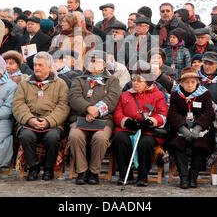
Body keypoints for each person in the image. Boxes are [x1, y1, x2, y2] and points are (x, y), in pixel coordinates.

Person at [12, 52, 70, 181]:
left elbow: (63, 106)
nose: (37, 68)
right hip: (29, 122)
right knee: (26, 136)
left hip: (53, 123)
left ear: (49, 67)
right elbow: (18, 104)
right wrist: (30, 120)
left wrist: (48, 121)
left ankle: (49, 169)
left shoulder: (60, 84)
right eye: (35, 65)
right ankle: (33, 167)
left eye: (40, 65)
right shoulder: (24, 83)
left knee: (53, 137)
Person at [68, 50, 121, 185]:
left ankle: (94, 172)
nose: (92, 64)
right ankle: (82, 171)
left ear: (103, 64)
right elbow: (74, 97)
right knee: (75, 136)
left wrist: (96, 111)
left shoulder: (112, 80)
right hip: (81, 118)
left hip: (103, 120)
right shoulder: (79, 79)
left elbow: (113, 98)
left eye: (95, 61)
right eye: (90, 61)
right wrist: (88, 109)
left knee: (101, 138)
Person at [112, 62, 168, 186]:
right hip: (128, 129)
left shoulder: (158, 95)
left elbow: (162, 114)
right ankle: (125, 174)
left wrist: (150, 121)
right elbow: (117, 113)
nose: (135, 83)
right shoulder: (125, 95)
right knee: (120, 139)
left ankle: (143, 176)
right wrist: (126, 121)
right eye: (134, 80)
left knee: (146, 143)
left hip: (147, 130)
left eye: (139, 81)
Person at [167, 67, 215, 188]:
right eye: (186, 82)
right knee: (177, 144)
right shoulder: (175, 95)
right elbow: (172, 114)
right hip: (181, 129)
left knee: (201, 144)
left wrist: (198, 127)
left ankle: (193, 176)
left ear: (197, 82)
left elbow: (209, 113)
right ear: (181, 83)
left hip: (201, 129)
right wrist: (183, 128)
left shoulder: (205, 94)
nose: (189, 85)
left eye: (193, 82)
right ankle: (183, 177)